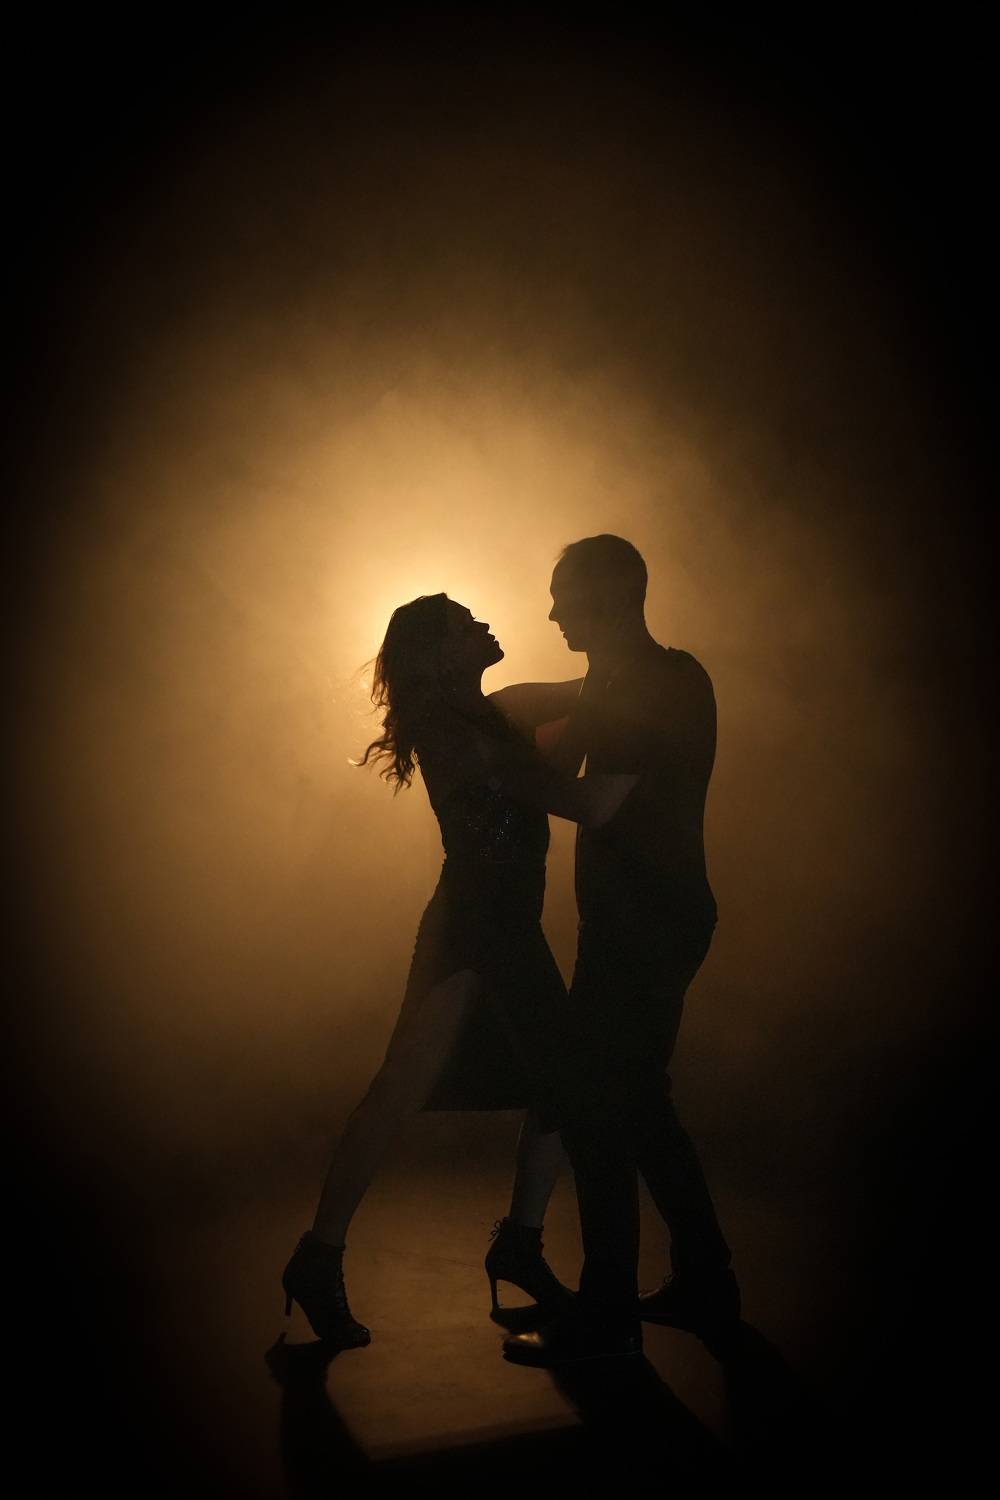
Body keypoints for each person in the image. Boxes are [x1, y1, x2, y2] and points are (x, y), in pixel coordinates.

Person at [281, 592, 637, 1348]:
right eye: (467, 624)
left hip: (495, 927)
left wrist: (631, 661)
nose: (485, 625)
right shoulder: (459, 736)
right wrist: (630, 765)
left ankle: (507, 1245)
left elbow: (599, 687)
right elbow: (578, 798)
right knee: (419, 1093)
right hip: (476, 930)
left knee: (549, 1085)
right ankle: (330, 1257)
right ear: (442, 655)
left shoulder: (500, 710)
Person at [500, 535, 740, 1365]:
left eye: (563, 595)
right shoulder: (647, 677)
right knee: (640, 1104)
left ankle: (606, 1316)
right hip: (649, 919)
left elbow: (597, 802)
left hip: (644, 924)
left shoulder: (645, 685)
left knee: (598, 1110)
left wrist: (498, 775)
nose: (552, 613)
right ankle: (705, 1280)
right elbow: (564, 733)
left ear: (606, 596)